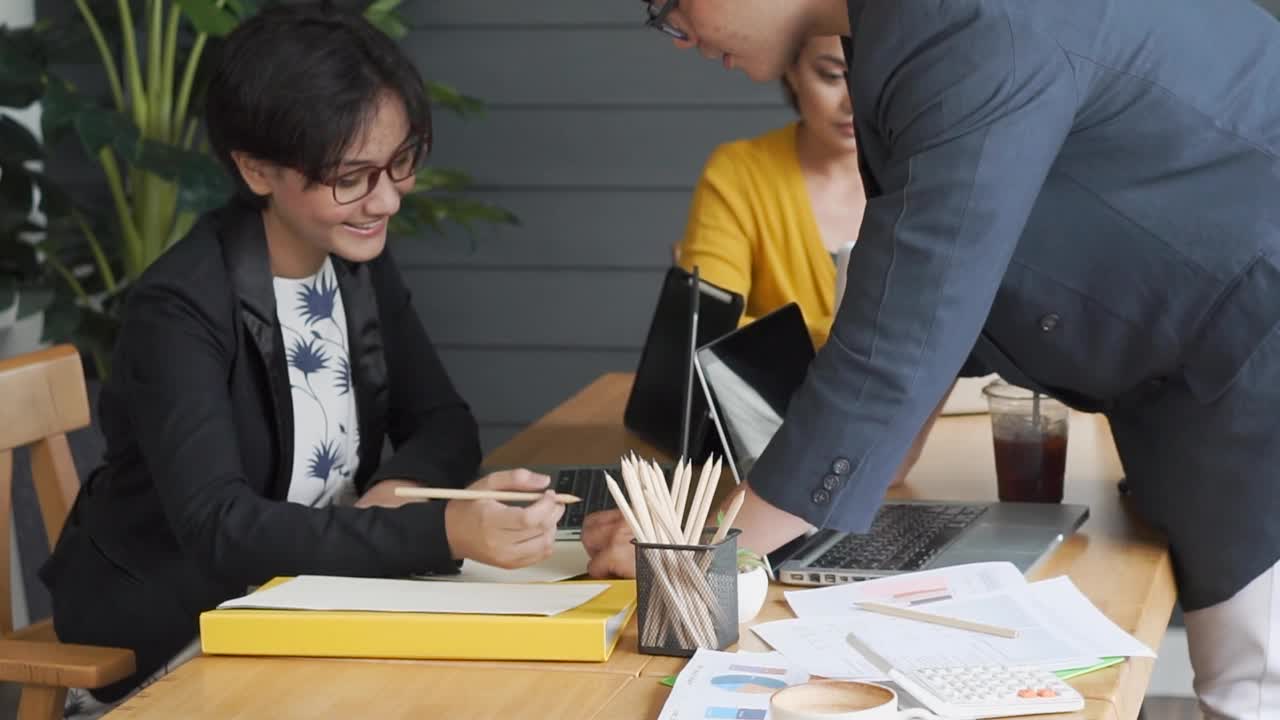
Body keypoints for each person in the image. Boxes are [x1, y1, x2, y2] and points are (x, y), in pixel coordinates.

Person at [589, 1, 1280, 717]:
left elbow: (908, 327)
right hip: (1203, 364)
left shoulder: (961, 24)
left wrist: (702, 562)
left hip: (1255, 348)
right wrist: (852, 471)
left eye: (669, 7)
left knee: (1253, 690)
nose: (679, 35)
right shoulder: (899, 32)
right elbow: (920, 288)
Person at [39, 5, 563, 715]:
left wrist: (400, 493)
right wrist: (434, 531)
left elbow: (442, 421)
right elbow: (220, 526)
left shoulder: (352, 262)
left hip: (318, 596)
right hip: (178, 624)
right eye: (351, 176)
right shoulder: (180, 307)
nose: (385, 199)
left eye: (400, 162)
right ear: (257, 168)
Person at [677, 35, 865, 350]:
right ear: (792, 71)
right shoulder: (738, 174)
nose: (852, 101)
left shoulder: (921, 176)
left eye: (871, 77)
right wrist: (848, 338)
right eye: (832, 76)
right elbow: (707, 326)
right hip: (769, 399)